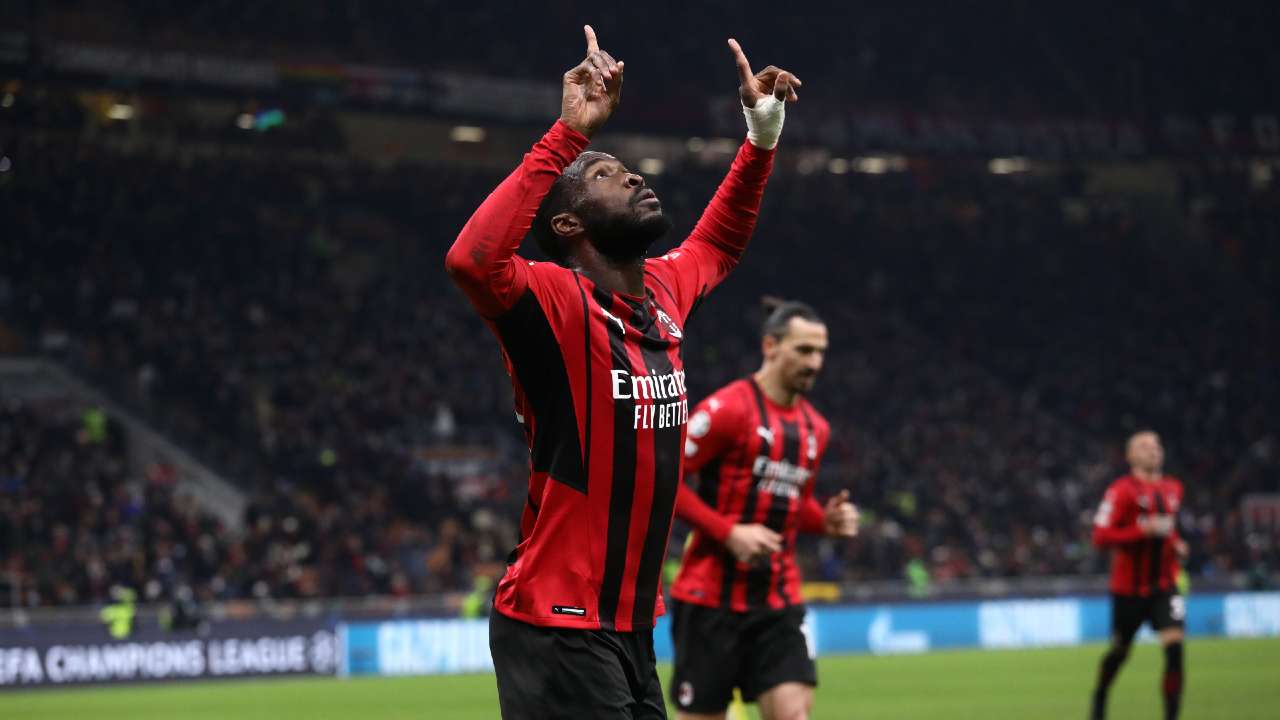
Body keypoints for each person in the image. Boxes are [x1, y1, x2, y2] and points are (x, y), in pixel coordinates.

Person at [445, 25, 801, 719]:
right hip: (555, 622)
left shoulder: (663, 292)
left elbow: (721, 239)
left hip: (627, 626)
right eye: (605, 176)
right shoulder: (552, 298)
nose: (634, 174)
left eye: (626, 168)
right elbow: (471, 261)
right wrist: (567, 138)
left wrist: (761, 134)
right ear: (572, 226)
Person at [668, 300, 858, 720]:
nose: (815, 363)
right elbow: (666, 481)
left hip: (777, 598)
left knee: (792, 713)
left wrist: (825, 521)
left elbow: (794, 504)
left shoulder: (815, 430)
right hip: (709, 598)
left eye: (820, 352)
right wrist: (729, 533)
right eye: (804, 350)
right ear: (770, 346)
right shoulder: (727, 410)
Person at [1090, 430, 1187, 720]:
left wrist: (1177, 544)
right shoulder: (1120, 491)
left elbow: (1168, 531)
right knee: (1120, 653)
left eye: (1157, 445)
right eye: (1145, 446)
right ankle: (1100, 696)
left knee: (1175, 650)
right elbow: (1100, 536)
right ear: (1130, 456)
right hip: (1128, 590)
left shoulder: (1174, 489)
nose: (1154, 450)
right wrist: (1140, 531)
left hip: (1165, 586)